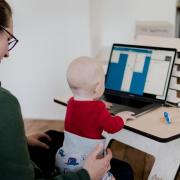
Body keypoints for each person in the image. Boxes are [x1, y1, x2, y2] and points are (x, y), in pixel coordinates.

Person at [0, 1, 119, 180]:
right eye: (8, 39)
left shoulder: (72, 102)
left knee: (51, 137)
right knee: (122, 171)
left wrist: (18, 142)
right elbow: (112, 125)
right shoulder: (5, 104)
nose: (8, 52)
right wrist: (87, 175)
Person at [55, 57, 135, 179]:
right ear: (98, 87)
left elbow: (85, 110)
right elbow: (112, 127)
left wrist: (100, 104)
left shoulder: (71, 102)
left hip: (64, 158)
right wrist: (121, 117)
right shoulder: (97, 108)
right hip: (87, 163)